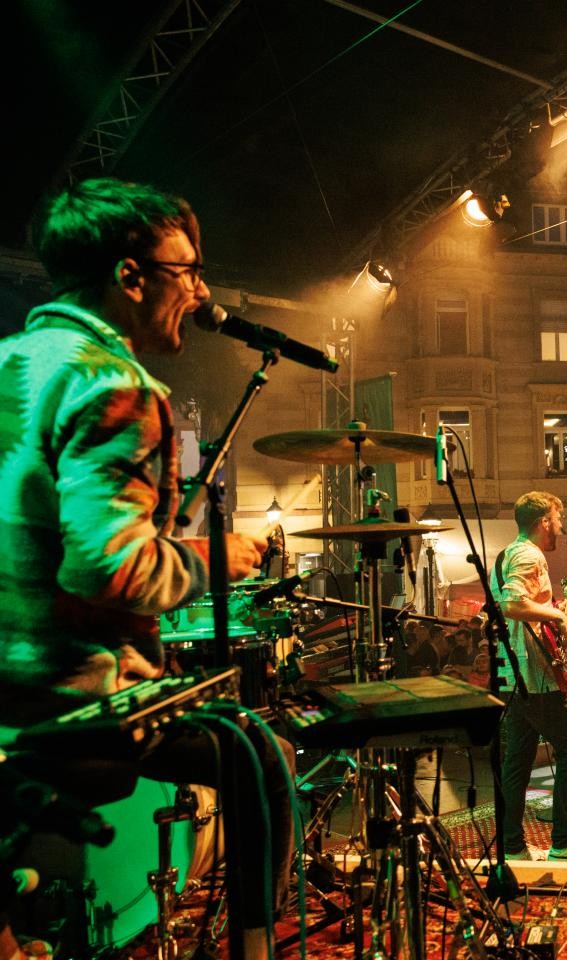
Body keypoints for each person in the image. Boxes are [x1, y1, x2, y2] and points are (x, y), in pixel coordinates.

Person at [0, 179, 285, 957]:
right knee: (257, 753)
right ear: (131, 277)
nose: (199, 291)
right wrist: (213, 559)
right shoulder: (112, 382)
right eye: (186, 270)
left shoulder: (9, 363)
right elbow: (108, 567)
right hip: (66, 693)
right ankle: (254, 948)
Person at [491, 491, 567, 863]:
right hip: (538, 676)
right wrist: (558, 617)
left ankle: (513, 847)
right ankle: (562, 844)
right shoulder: (529, 554)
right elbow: (512, 604)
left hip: (513, 675)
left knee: (518, 760)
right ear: (544, 521)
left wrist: (551, 609)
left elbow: (515, 607)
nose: (561, 526)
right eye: (558, 519)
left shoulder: (504, 555)